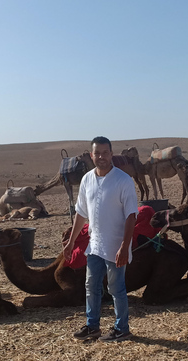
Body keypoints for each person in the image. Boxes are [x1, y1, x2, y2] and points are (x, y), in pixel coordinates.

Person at [63, 136, 138, 341]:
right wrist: (71, 242)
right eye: (97, 153)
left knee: (116, 288)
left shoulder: (123, 180)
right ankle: (92, 325)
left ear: (111, 154)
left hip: (116, 245)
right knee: (91, 285)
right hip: (94, 245)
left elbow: (131, 215)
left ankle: (122, 328)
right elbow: (81, 213)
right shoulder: (87, 179)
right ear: (91, 155)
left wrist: (125, 246)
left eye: (105, 153)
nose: (101, 157)